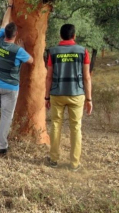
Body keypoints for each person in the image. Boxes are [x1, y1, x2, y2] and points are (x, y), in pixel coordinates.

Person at [0, 0, 34, 154]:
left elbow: (4, 23)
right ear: (16, 35)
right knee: (6, 116)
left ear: (5, 34)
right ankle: (1, 146)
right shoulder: (18, 50)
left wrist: (9, 6)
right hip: (10, 87)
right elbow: (31, 60)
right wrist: (23, 47)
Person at [45, 24, 93, 171]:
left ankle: (53, 159)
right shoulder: (82, 51)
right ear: (74, 35)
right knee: (76, 128)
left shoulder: (52, 52)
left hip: (57, 94)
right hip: (77, 95)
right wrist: (89, 99)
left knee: (55, 125)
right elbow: (86, 77)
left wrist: (46, 97)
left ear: (60, 36)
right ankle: (74, 163)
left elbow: (49, 77)